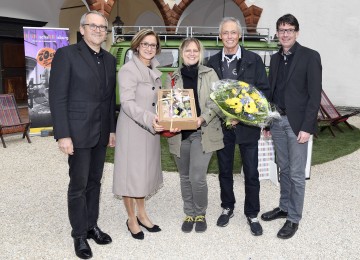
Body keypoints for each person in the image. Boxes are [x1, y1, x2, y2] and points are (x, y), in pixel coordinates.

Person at [49, 11, 116, 259]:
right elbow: (57, 97)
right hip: (76, 133)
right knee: (78, 185)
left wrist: (111, 130)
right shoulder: (66, 55)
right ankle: (78, 234)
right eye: (94, 26)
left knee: (94, 182)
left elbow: (109, 100)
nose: (99, 30)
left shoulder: (109, 60)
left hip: (100, 133)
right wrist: (63, 135)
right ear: (83, 28)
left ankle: (91, 226)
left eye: (102, 27)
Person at [207, 17, 270, 236]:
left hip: (247, 128)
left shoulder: (254, 60)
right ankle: (227, 207)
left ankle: (252, 213)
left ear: (239, 35)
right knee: (224, 171)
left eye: (233, 32)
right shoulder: (211, 62)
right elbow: (209, 96)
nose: (230, 36)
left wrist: (242, 116)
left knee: (251, 172)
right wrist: (225, 116)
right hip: (221, 127)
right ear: (220, 35)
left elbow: (262, 92)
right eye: (226, 32)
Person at [261, 14, 322, 239]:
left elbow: (314, 96)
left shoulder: (310, 56)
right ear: (277, 34)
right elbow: (272, 92)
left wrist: (307, 127)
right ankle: (284, 207)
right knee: (283, 169)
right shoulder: (275, 59)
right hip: (277, 122)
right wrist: (268, 122)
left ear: (296, 32)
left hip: (297, 125)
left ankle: (293, 218)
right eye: (281, 30)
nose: (285, 34)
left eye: (289, 30)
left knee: (297, 174)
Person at [166, 38, 224, 233]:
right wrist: (170, 120)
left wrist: (203, 118)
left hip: (202, 132)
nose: (192, 53)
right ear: (181, 53)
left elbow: (217, 101)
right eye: (188, 50)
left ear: (200, 54)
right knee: (184, 176)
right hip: (180, 135)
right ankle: (189, 213)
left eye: (195, 51)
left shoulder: (210, 74)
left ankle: (200, 212)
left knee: (197, 176)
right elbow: (168, 105)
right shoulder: (173, 77)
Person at [113, 29, 166, 240]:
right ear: (137, 45)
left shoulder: (154, 68)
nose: (149, 48)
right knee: (131, 175)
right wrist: (149, 119)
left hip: (151, 129)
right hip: (134, 128)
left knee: (143, 174)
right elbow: (127, 104)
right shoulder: (128, 70)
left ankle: (142, 214)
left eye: (153, 45)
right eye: (145, 44)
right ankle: (131, 219)